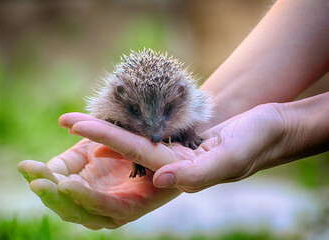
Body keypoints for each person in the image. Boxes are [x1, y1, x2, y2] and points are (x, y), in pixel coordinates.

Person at [18, 0, 329, 230]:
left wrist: (287, 128)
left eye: (166, 112)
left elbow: (191, 119)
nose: (154, 131)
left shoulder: (185, 105)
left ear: (178, 99)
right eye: (137, 113)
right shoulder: (115, 102)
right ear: (120, 99)